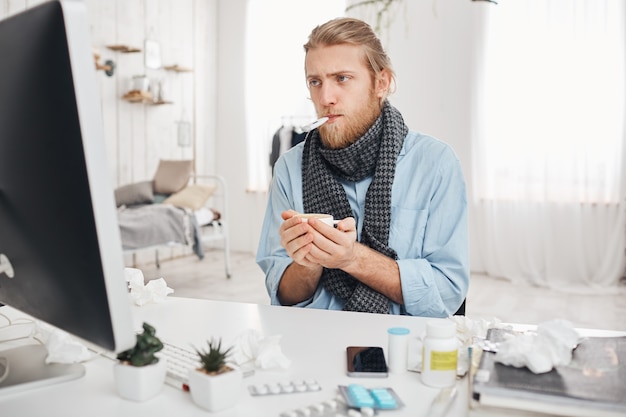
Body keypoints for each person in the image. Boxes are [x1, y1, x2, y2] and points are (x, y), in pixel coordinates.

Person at [256, 17, 469, 316]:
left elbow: (447, 292)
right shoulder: (289, 168)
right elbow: (283, 296)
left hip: (403, 345)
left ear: (381, 83)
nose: (325, 98)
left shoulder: (436, 164)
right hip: (313, 340)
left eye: (342, 78)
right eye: (315, 82)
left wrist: (351, 258)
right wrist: (308, 262)